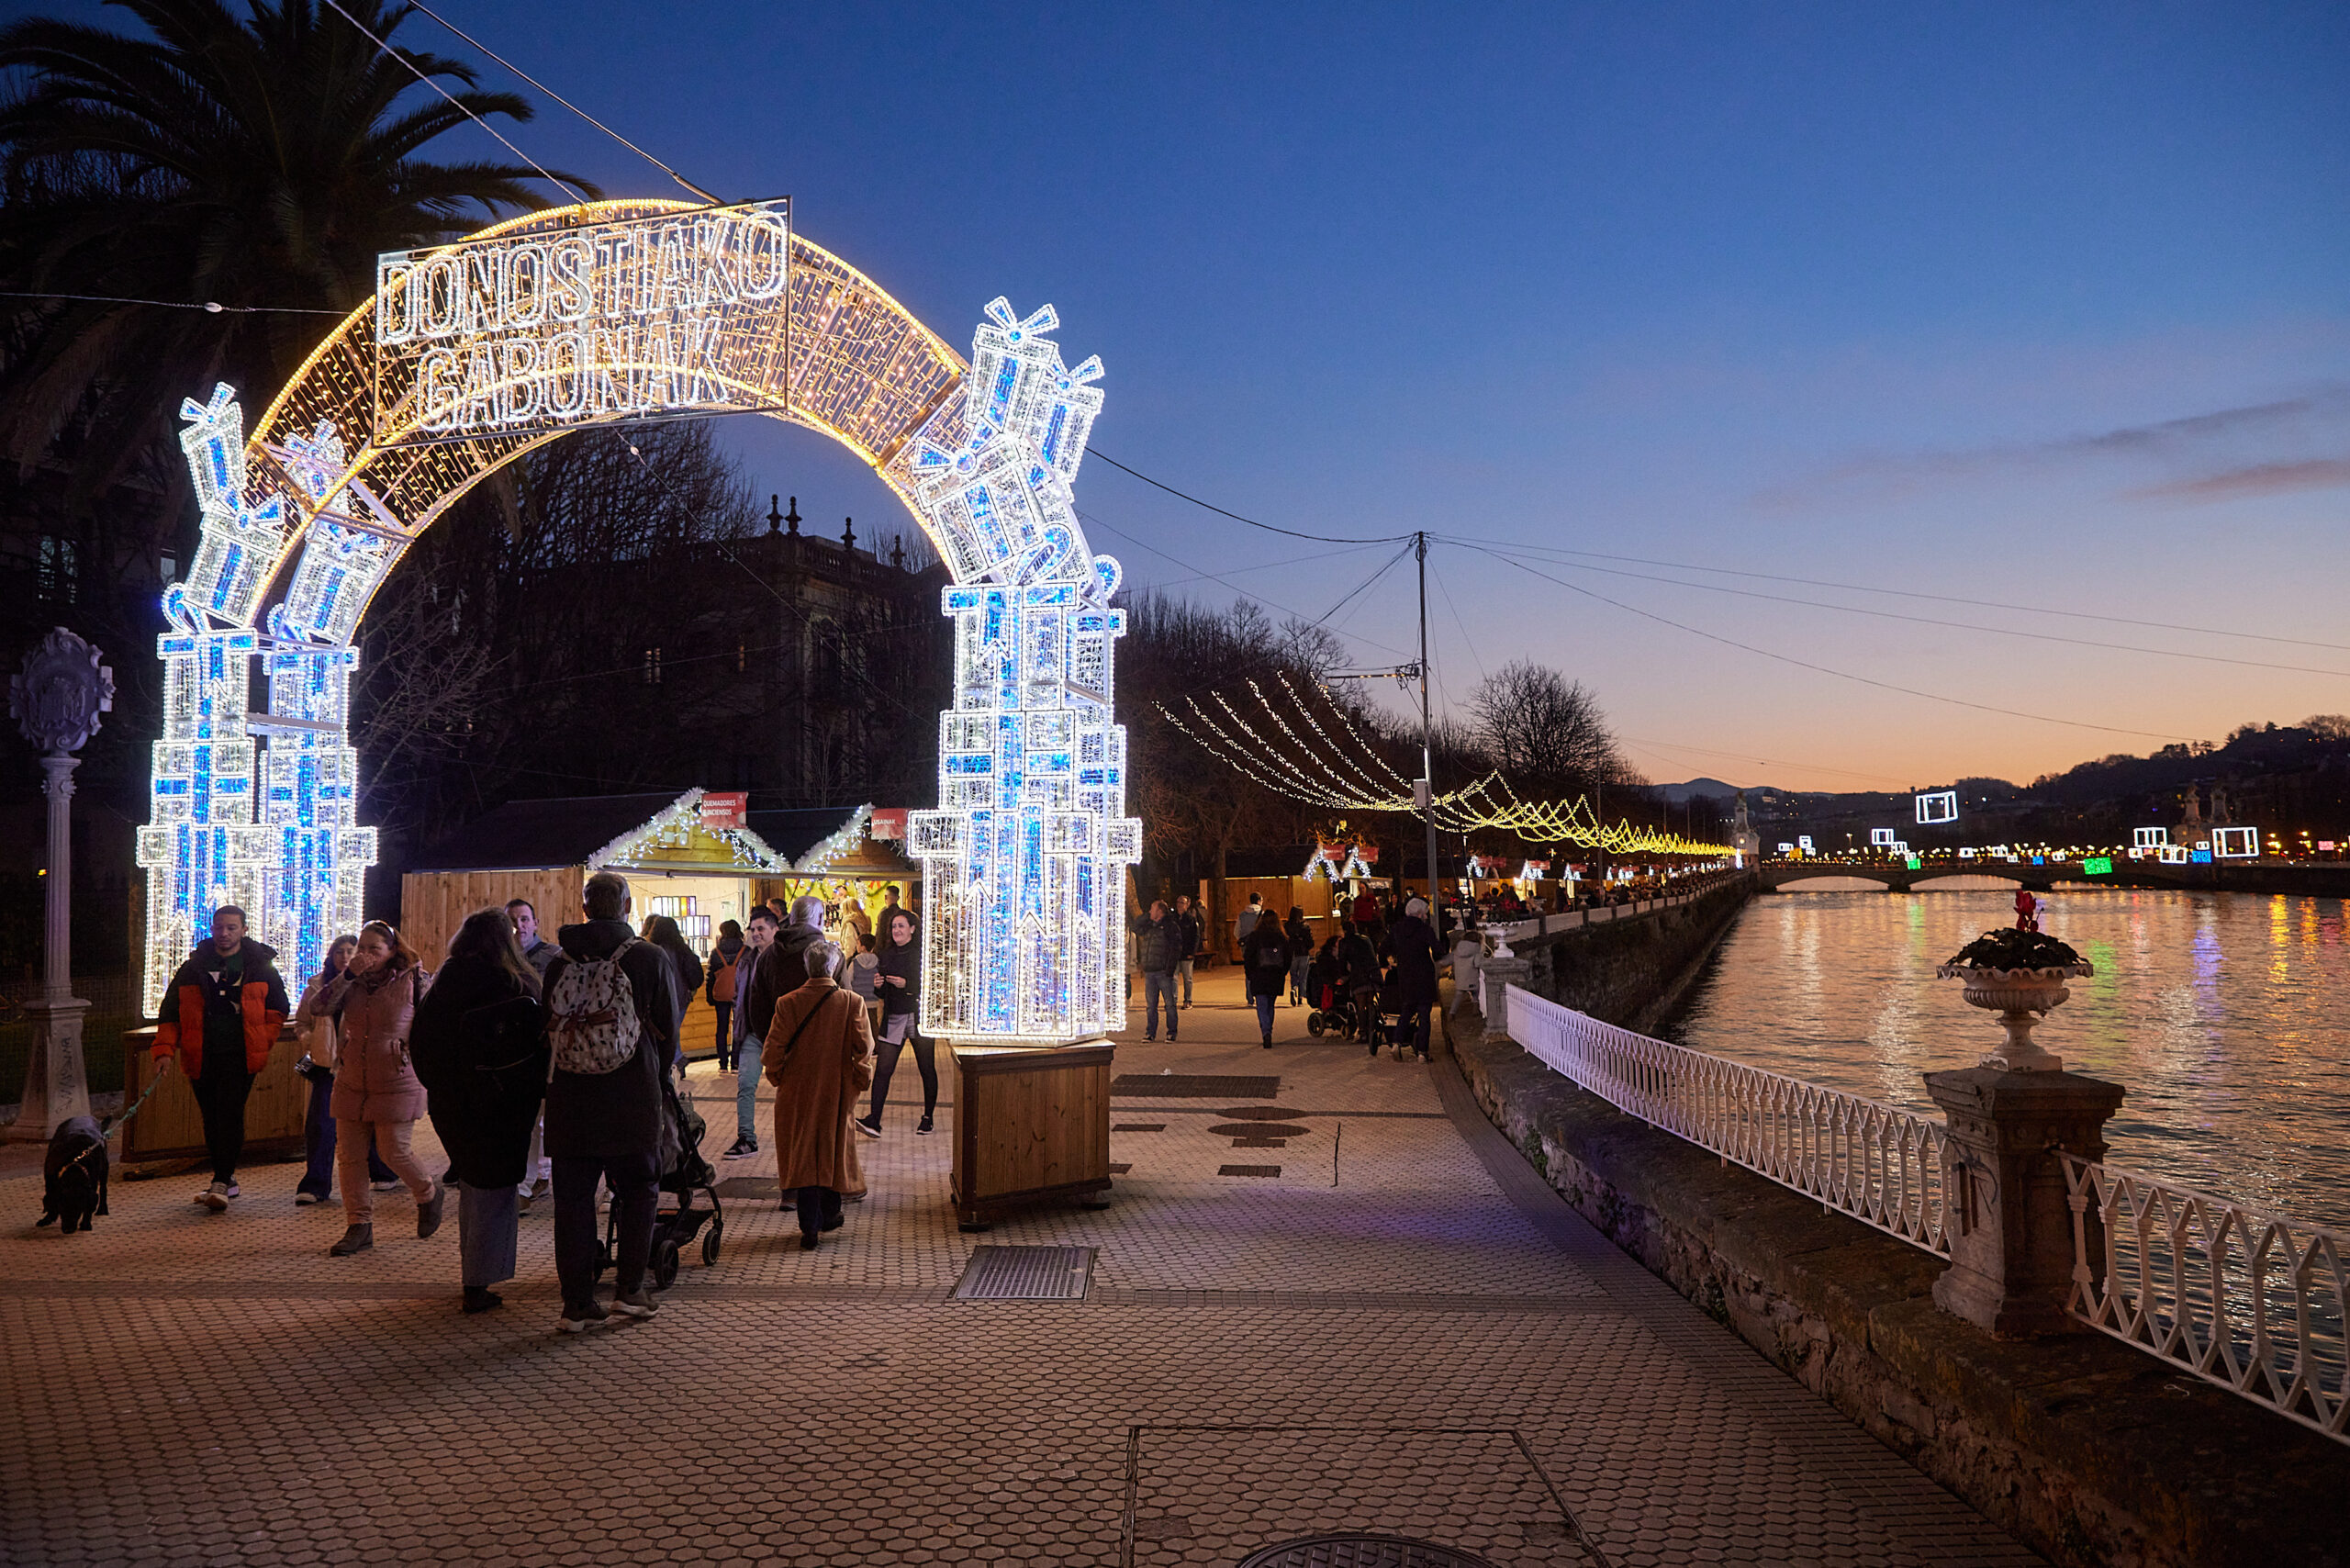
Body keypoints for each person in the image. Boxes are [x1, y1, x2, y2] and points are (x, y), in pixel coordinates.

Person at [543, 870, 677, 1333]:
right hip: (631, 1098)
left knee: (574, 1202)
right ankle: (630, 1290)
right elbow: (668, 1033)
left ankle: (576, 1303)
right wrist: (659, 1081)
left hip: (570, 1101)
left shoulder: (559, 963)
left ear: (585, 909)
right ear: (625, 907)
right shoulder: (648, 957)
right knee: (639, 1191)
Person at [411, 909, 547, 1315]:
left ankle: (473, 1274)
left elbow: (420, 1044)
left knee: (472, 1183)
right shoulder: (513, 984)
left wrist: (440, 1088)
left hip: (451, 1102)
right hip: (502, 1103)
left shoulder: (442, 984)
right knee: (497, 1188)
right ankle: (480, 1281)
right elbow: (534, 1051)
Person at [316, 921, 442, 1255]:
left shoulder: (416, 979)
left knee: (393, 1151)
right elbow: (318, 1007)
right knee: (349, 1156)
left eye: (375, 949)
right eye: (363, 948)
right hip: (352, 1076)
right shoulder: (350, 983)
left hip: (398, 1076)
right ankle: (358, 1225)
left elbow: (433, 1027)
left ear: (392, 951)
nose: (367, 955)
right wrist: (346, 976)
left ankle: (428, 1192)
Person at [153, 905, 289, 1212]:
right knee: (211, 1117)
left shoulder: (259, 966)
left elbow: (278, 1007)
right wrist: (164, 1051)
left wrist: (263, 1039)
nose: (224, 933)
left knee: (229, 1112)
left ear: (243, 929)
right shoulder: (194, 967)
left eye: (231, 927)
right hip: (201, 1054)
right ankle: (226, 1180)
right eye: (219, 927)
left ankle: (221, 1178)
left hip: (240, 1056)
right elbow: (170, 1011)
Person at [763, 940, 875, 1249]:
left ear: (807, 968)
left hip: (795, 1091)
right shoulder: (851, 1002)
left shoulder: (788, 1002)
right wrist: (858, 1083)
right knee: (831, 1148)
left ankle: (808, 1227)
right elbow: (863, 1049)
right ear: (836, 967)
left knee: (802, 1153)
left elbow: (772, 1051)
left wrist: (778, 1078)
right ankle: (830, 1214)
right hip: (835, 1089)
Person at [290, 935, 397, 1205]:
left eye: (352, 951)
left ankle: (383, 1171)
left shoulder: (369, 985)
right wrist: (310, 1041)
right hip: (327, 1065)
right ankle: (315, 1185)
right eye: (341, 951)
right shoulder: (317, 985)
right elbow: (303, 1021)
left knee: (367, 1122)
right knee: (320, 1125)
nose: (346, 956)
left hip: (360, 1063)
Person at [856, 908, 934, 1137]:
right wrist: (879, 986)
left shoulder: (922, 954)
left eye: (901, 926)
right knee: (882, 1070)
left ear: (912, 929)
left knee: (926, 1068)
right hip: (894, 1016)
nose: (896, 930)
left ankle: (928, 1117)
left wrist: (907, 985)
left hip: (919, 1017)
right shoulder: (887, 954)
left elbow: (930, 986)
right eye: (893, 927)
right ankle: (874, 1120)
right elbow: (880, 994)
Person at [507, 900, 558, 1206]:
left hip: (543, 1046)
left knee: (540, 1119)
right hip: (512, 1049)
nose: (520, 926)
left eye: (525, 919)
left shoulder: (552, 957)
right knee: (521, 1118)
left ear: (535, 922)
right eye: (513, 920)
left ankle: (533, 1182)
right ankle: (528, 1180)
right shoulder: (500, 959)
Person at [722, 907, 778, 1159]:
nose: (755, 934)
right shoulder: (747, 959)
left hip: (781, 1033)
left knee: (789, 1090)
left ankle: (795, 1137)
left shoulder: (784, 961)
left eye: (761, 929)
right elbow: (739, 994)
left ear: (775, 930)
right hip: (752, 1033)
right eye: (752, 929)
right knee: (745, 1084)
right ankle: (746, 1138)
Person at [1380, 896, 1442, 1062]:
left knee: (1406, 1011)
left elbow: (1383, 948)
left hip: (1405, 975)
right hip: (1423, 976)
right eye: (1425, 914)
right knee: (1424, 1015)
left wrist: (1385, 964)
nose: (1427, 917)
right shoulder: (1425, 930)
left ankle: (1396, 1043)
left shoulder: (1397, 929)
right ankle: (1422, 1052)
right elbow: (1437, 952)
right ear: (1420, 913)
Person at [639, 913, 699, 1058]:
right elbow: (694, 973)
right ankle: (675, 1063)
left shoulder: (651, 950)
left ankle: (673, 1064)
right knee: (673, 1033)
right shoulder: (682, 950)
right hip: (680, 998)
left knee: (661, 1035)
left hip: (658, 1000)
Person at [1128, 900, 1183, 1043]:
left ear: (1160, 911)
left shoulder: (1170, 927)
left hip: (1163, 972)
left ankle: (1171, 1032)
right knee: (1151, 1005)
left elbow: (1176, 948)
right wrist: (1147, 916)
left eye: (1152, 909)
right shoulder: (1149, 926)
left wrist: (1169, 969)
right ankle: (1150, 1033)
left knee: (1169, 1004)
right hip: (1150, 972)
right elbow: (1135, 927)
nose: (1150, 911)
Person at [1238, 908, 1291, 1048]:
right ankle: (1269, 1030)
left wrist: (1249, 973)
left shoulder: (1255, 936)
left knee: (1261, 1005)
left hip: (1259, 975)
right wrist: (1283, 972)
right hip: (1275, 975)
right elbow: (1288, 957)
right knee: (1270, 1005)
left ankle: (1266, 1031)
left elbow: (1248, 957)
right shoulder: (1281, 936)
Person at [705, 920, 745, 1070]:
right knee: (738, 1027)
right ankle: (736, 1061)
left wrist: (710, 996)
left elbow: (710, 976)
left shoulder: (717, 952)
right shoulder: (744, 950)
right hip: (739, 993)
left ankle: (722, 1061)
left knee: (721, 1028)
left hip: (721, 994)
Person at [1337, 919, 1382, 1045]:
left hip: (1359, 975)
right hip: (1372, 973)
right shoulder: (1365, 939)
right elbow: (1373, 955)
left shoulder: (1344, 942)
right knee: (1370, 1003)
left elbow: (1342, 960)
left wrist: (1344, 975)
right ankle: (1373, 1029)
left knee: (1361, 1006)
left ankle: (1363, 1033)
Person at [844, 928, 882, 1036]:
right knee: (873, 1023)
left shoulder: (854, 962)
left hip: (858, 999)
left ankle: (862, 1045)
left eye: (858, 944)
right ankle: (875, 1046)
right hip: (873, 999)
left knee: (859, 1024)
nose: (856, 946)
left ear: (863, 947)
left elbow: (849, 979)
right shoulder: (878, 962)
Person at [507, 899, 559, 978]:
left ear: (535, 924)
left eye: (524, 919)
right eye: (511, 920)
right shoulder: (499, 958)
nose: (518, 925)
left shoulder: (555, 956)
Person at [1172, 893, 1203, 1009]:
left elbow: (1196, 936)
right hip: (1174, 953)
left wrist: (1192, 952)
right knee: (1173, 978)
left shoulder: (1191, 919)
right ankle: (1173, 1000)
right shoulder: (1172, 918)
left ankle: (1188, 1000)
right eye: (1178, 902)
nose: (1179, 905)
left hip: (1186, 953)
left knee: (1188, 978)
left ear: (1187, 905)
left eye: (1182, 903)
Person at [1283, 906, 1313, 1005]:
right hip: (1303, 953)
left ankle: (1293, 989)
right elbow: (1310, 942)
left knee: (1293, 974)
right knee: (1303, 976)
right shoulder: (1305, 926)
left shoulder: (1287, 926)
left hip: (1292, 953)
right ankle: (1300, 997)